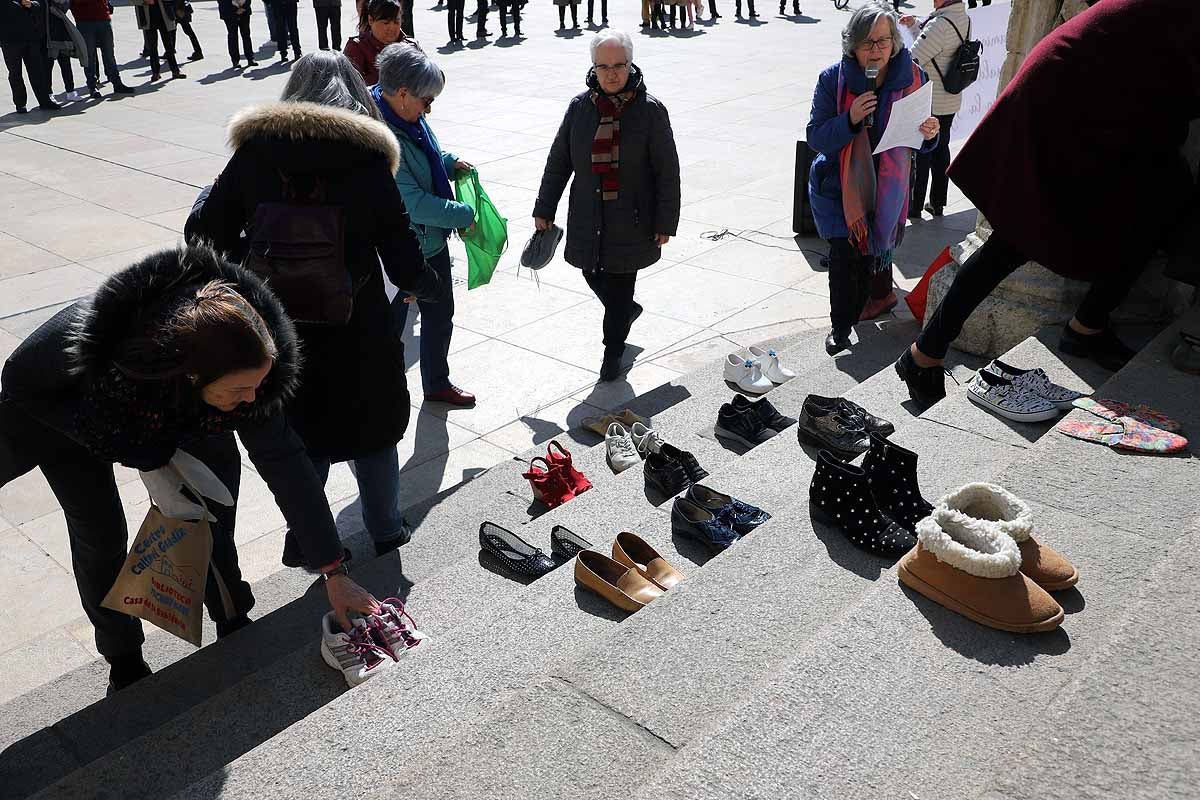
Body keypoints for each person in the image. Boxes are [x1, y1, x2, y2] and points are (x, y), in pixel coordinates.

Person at [0, 241, 383, 696]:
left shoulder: (246, 367)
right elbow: (19, 380)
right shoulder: (92, 342)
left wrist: (333, 571)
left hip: (179, 412)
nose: (253, 400)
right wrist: (123, 444)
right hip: (67, 412)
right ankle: (123, 658)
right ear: (191, 375)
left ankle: (232, 616)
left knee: (209, 515)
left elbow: (287, 465)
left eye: (259, 385)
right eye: (241, 390)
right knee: (98, 533)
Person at [186, 50, 446, 561]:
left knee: (300, 439)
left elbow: (203, 236)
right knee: (373, 434)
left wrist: (260, 261)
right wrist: (430, 285)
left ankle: (307, 540)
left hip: (279, 328)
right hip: (359, 326)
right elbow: (401, 256)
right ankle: (386, 531)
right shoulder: (369, 160)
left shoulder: (255, 152)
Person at [895, 0, 1200, 408]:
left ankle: (1085, 326)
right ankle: (924, 354)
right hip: (1069, 101)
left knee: (1156, 204)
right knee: (1018, 236)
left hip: (1104, 97)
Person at [534, 30, 681, 381]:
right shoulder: (579, 107)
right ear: (593, 68)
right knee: (590, 270)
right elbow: (559, 160)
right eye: (603, 66)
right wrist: (545, 207)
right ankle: (626, 312)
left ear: (630, 65)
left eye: (619, 65)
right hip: (587, 213)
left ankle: (612, 353)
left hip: (632, 218)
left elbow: (667, 171)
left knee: (618, 287)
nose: (612, 74)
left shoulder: (650, 111)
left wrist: (666, 221)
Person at [806, 3, 939, 356]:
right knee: (842, 256)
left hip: (887, 189)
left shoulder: (913, 77)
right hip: (839, 187)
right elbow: (817, 137)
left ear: (895, 42)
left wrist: (929, 134)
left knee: (869, 257)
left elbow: (923, 144)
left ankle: (862, 307)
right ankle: (840, 327)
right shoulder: (832, 79)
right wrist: (848, 119)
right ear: (852, 46)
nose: (876, 50)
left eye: (882, 41)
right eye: (867, 43)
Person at [374, 42, 478, 407]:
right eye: (426, 100)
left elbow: (429, 155)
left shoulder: (408, 118)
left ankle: (436, 384)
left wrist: (450, 162)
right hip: (400, 252)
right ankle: (381, 394)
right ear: (402, 93)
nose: (429, 108)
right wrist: (465, 214)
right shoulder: (381, 135)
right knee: (390, 328)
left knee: (439, 315)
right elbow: (414, 202)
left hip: (429, 245)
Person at [900, 0, 969, 218]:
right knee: (941, 150)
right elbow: (940, 44)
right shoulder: (963, 17)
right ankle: (938, 202)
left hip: (932, 100)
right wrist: (915, 26)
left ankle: (916, 205)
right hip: (950, 98)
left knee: (924, 151)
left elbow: (914, 58)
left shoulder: (939, 24)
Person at [2, 0, 60, 112]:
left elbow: (41, 4)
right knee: (15, 73)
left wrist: (32, 4)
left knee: (37, 71)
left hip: (30, 38)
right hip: (9, 41)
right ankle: (20, 104)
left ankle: (44, 101)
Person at [71, 0, 136, 96]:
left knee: (109, 54)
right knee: (89, 56)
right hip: (85, 21)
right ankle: (92, 86)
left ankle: (116, 82)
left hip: (103, 18)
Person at [344, 0, 403, 84]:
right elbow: (349, 86)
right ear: (370, 20)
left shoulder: (410, 45)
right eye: (386, 23)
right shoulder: (357, 48)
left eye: (396, 22)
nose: (392, 28)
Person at [134, 0, 186, 80]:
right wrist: (143, 1)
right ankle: (155, 72)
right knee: (152, 47)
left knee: (169, 45)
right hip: (147, 17)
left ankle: (175, 71)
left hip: (164, 15)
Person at [217, 0, 259, 69]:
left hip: (244, 11)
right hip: (229, 12)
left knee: (246, 35)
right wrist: (235, 9)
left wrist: (244, 7)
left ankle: (250, 58)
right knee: (233, 36)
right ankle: (235, 60)